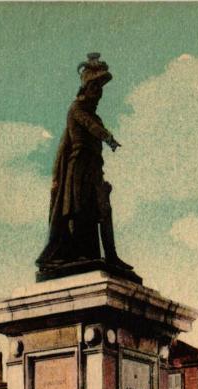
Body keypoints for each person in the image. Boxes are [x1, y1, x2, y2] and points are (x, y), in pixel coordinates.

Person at [36, 53, 134, 275]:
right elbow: (90, 126)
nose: (99, 94)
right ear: (86, 89)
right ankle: (78, 254)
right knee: (79, 209)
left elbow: (94, 124)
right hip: (78, 168)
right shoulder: (76, 109)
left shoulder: (95, 116)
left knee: (104, 210)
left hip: (94, 168)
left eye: (100, 89)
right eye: (95, 88)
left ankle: (111, 255)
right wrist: (108, 137)